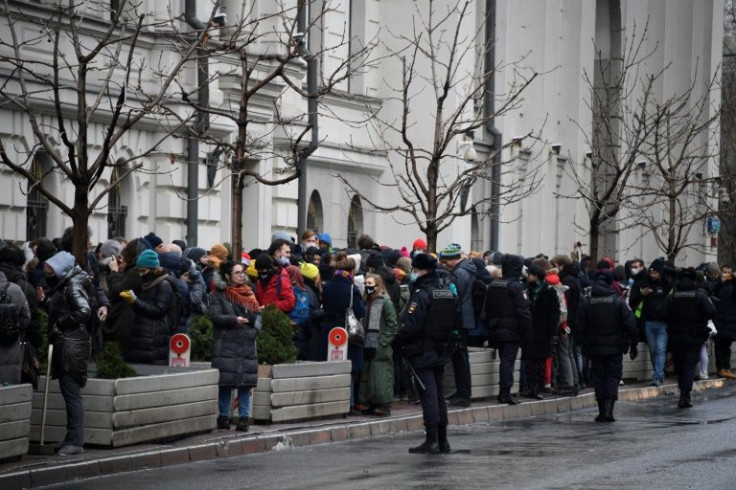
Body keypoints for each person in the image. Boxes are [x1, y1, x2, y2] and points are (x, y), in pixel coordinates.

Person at [393, 253, 458, 454]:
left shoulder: (422, 293)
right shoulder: (446, 290)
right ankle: (443, 440)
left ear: (420, 270)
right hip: (441, 348)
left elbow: (411, 326)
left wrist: (398, 341)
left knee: (428, 395)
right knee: (438, 395)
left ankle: (431, 440)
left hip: (422, 350)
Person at [43, 251, 92, 455]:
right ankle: (71, 437)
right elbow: (64, 310)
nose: (47, 273)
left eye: (50, 269)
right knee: (70, 394)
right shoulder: (66, 285)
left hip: (70, 348)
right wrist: (44, 302)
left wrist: (60, 324)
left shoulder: (71, 286)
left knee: (71, 394)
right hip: (69, 345)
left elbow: (83, 311)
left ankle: (75, 441)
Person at [578, 271, 637, 422]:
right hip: (614, 347)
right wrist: (633, 343)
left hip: (595, 347)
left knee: (598, 378)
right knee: (612, 376)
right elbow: (630, 324)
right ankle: (609, 410)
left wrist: (583, 344)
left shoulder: (588, 302)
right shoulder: (618, 302)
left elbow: (581, 326)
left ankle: (601, 410)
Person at [209, 261, 261, 431]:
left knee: (245, 383)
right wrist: (233, 320)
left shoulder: (249, 293)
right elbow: (215, 316)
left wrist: (254, 330)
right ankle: (223, 417)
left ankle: (243, 418)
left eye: (242, 272)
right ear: (227, 276)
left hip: (246, 342)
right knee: (225, 382)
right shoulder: (218, 295)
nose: (241, 275)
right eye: (237, 272)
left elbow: (258, 316)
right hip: (226, 343)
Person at [662, 268, 717, 408]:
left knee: (680, 365)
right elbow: (712, 312)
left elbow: (660, 313)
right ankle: (685, 393)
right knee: (689, 365)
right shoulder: (700, 296)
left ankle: (683, 391)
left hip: (676, 336)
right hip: (695, 336)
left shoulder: (672, 297)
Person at [484, 254, 532, 405]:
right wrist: (527, 333)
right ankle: (505, 394)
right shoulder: (516, 286)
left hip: (495, 328)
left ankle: (503, 393)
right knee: (507, 362)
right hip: (511, 330)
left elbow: (486, 309)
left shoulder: (494, 284)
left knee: (503, 361)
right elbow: (524, 312)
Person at [321, 253, 365, 411]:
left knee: (333, 365)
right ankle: (349, 402)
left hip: (330, 329)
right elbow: (360, 312)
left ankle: (333, 402)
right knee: (350, 368)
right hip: (347, 331)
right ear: (351, 271)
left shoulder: (327, 286)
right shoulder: (352, 288)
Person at [118, 250, 174, 364]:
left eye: (143, 271)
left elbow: (158, 310)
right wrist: (132, 302)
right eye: (139, 271)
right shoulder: (146, 283)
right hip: (142, 336)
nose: (141, 274)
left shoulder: (164, 284)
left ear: (153, 269)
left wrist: (135, 301)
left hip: (154, 338)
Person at [439, 243, 475, 407]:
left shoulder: (460, 273)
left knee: (460, 358)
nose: (445, 264)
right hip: (466, 318)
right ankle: (462, 392)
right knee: (460, 357)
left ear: (453, 259)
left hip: (461, 320)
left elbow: (455, 298)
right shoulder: (467, 269)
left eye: (446, 261)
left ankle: (463, 394)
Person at [358, 273, 398, 416]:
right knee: (369, 376)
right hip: (369, 343)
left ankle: (384, 404)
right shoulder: (368, 301)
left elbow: (393, 326)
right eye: (366, 283)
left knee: (380, 376)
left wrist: (382, 343)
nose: (368, 286)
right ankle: (371, 402)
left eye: (370, 284)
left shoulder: (385, 302)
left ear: (378, 285)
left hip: (380, 345)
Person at [629, 258, 672, 386]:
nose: (652, 275)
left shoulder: (666, 285)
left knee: (660, 349)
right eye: (651, 272)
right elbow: (633, 300)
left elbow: (670, 299)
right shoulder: (643, 283)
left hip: (662, 323)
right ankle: (658, 372)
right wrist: (642, 294)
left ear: (660, 273)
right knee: (653, 351)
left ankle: (658, 376)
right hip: (648, 322)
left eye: (655, 273)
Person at [523, 263, 560, 399]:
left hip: (543, 332)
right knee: (529, 361)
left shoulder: (549, 291)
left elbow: (554, 313)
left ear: (536, 276)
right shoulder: (526, 290)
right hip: (529, 331)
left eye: (530, 274)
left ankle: (538, 388)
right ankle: (531, 387)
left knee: (540, 362)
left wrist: (552, 332)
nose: (528, 277)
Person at [0, 268, 31, 385]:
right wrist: (13, 327)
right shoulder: (16, 289)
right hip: (10, 344)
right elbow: (26, 318)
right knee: (8, 391)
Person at [712, 264, 736, 379]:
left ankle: (726, 368)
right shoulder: (717, 284)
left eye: (729, 273)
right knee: (719, 347)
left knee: (727, 347)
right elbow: (712, 292)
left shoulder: (733, 285)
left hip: (730, 321)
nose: (726, 275)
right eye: (724, 272)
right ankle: (721, 368)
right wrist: (720, 282)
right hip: (718, 321)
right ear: (721, 272)